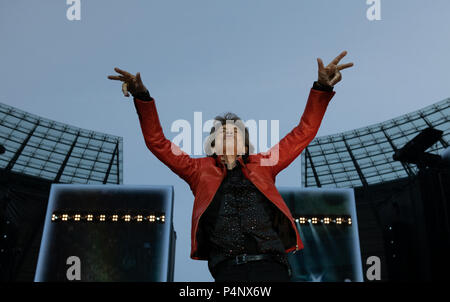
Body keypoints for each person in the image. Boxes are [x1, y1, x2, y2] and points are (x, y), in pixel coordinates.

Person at [108, 51, 353, 281]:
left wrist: (321, 88)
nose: (228, 134)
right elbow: (158, 142)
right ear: (212, 144)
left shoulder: (264, 164)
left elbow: (302, 133)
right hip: (227, 270)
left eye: (234, 132)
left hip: (272, 266)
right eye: (222, 132)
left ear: (245, 144)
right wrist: (142, 97)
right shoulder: (196, 170)